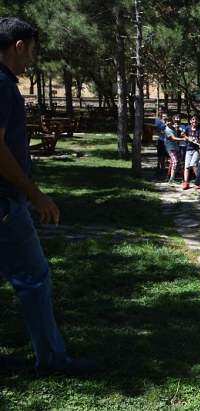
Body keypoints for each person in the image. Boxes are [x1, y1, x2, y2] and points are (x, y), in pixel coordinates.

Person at [0, 17, 96, 374]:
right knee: (34, 276)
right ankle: (53, 361)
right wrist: (35, 195)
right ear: (19, 45)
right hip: (6, 202)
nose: (34, 58)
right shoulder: (2, 85)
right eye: (33, 49)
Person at [181, 116, 200, 190]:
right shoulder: (187, 128)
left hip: (196, 150)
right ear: (190, 121)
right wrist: (187, 138)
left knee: (193, 165)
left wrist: (197, 141)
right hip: (188, 149)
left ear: (197, 122)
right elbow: (182, 134)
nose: (194, 122)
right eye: (193, 120)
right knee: (186, 166)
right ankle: (186, 182)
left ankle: (198, 182)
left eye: (196, 120)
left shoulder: (199, 130)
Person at [155, 111, 168, 175]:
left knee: (165, 156)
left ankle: (164, 169)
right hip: (161, 140)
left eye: (166, 116)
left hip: (168, 141)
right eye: (163, 116)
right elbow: (157, 131)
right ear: (161, 116)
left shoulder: (169, 123)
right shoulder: (159, 122)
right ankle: (158, 168)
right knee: (160, 155)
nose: (165, 117)